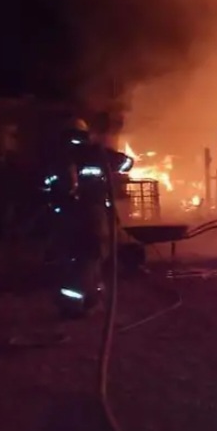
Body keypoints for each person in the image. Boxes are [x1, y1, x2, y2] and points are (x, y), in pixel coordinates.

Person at [45, 118, 133, 318]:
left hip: (64, 216)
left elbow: (48, 187)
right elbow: (127, 162)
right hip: (93, 214)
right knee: (91, 257)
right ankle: (80, 304)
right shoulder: (95, 153)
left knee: (71, 258)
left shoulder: (58, 157)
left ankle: (81, 302)